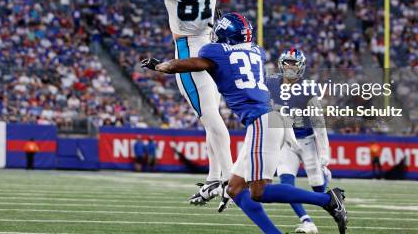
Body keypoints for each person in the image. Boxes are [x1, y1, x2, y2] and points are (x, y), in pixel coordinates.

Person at [141, 12, 348, 234]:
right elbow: (231, 50)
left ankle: (327, 199)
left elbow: (189, 64)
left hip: (262, 122)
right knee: (235, 189)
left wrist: (160, 66)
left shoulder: (214, 52)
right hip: (267, 121)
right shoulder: (257, 51)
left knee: (259, 191)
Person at [128, 0, 232, 206]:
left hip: (188, 49)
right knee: (210, 115)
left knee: (210, 117)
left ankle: (229, 179)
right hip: (214, 43)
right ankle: (215, 177)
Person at [268, 48, 331, 234]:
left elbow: (319, 123)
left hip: (307, 140)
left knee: (318, 188)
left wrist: (325, 152)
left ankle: (325, 176)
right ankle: (307, 221)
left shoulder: (308, 89)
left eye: (294, 63)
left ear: (301, 67)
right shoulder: (271, 82)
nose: (290, 66)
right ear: (281, 63)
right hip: (286, 141)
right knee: (286, 184)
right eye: (287, 62)